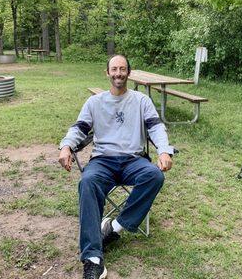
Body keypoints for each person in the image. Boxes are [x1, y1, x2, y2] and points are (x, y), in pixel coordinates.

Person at [58, 55, 174, 279]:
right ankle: (93, 258)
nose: (118, 73)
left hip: (133, 160)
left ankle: (115, 228)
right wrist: (66, 146)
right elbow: (79, 128)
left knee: (154, 176)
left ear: (129, 73)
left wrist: (164, 150)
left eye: (122, 69)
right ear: (107, 73)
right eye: (114, 69)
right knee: (88, 182)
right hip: (103, 160)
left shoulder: (141, 101)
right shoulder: (95, 102)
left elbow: (156, 128)